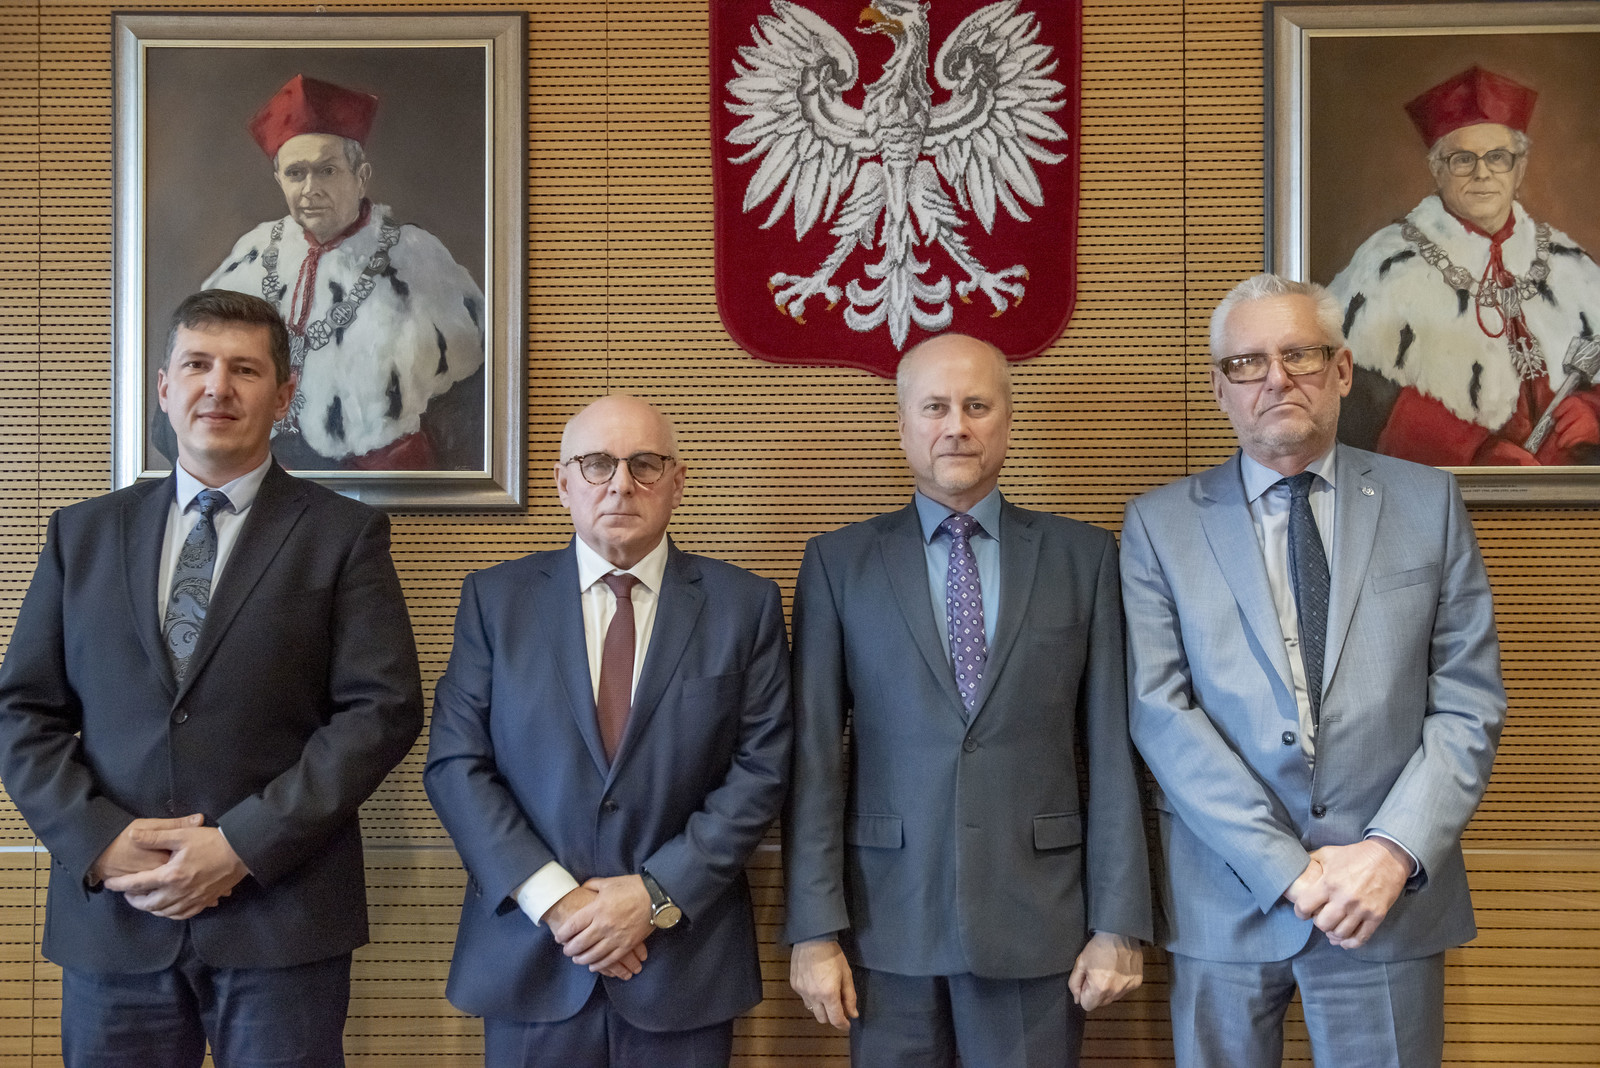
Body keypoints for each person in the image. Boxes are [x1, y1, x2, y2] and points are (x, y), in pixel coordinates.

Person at [0, 290, 425, 1066]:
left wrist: (241, 844)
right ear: (165, 387)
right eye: (197, 365)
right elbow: (24, 713)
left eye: (244, 369)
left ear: (284, 396)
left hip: (280, 916)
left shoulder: (344, 535)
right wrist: (99, 840)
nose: (217, 387)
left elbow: (382, 711)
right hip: (115, 921)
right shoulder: (81, 535)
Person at [1121, 274, 1506, 1066]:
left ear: (1343, 369)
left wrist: (1391, 853)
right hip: (1225, 897)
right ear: (1220, 389)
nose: (1276, 378)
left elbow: (1469, 703)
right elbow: (1161, 711)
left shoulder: (1429, 504)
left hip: (1386, 901)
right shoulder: (1158, 526)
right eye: (1247, 363)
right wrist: (1285, 869)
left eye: (1300, 354)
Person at [783, 334, 1152, 1067]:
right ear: (902, 426)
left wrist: (1118, 924)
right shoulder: (838, 563)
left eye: (977, 406)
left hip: (1041, 919)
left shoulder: (1083, 558)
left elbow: (1114, 751)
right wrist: (813, 930)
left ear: (1007, 422)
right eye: (935, 407)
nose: (956, 426)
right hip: (885, 920)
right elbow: (815, 761)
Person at [424, 395, 792, 1067]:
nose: (621, 483)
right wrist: (557, 902)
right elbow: (456, 764)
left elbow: (762, 769)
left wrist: (654, 895)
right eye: (597, 464)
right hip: (533, 957)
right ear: (564, 483)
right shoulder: (495, 602)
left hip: (681, 962)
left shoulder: (745, 606)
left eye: (644, 464)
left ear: (677, 482)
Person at [202, 74, 487, 471]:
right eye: (296, 173)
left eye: (327, 171)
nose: (310, 189)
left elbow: (471, 392)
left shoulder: (417, 259)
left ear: (361, 177)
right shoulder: (253, 250)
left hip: (382, 478)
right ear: (279, 180)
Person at [1329, 65, 1600, 466]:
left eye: (1498, 157)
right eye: (1462, 159)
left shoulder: (1571, 262)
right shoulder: (1386, 263)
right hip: (1447, 484)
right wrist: (1474, 451)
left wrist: (1595, 412)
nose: (1482, 173)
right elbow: (1355, 397)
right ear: (1436, 169)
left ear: (1519, 168)